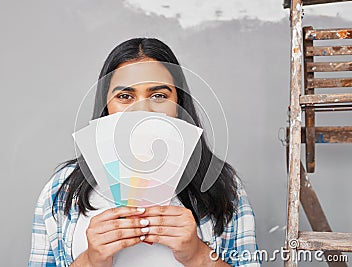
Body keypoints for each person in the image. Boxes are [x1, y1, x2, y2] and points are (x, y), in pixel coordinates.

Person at [28, 38, 261, 267]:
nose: (142, 110)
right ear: (106, 106)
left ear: (179, 104)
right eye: (124, 96)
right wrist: (90, 262)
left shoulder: (223, 185)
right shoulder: (62, 188)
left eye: (159, 95)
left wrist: (198, 256)